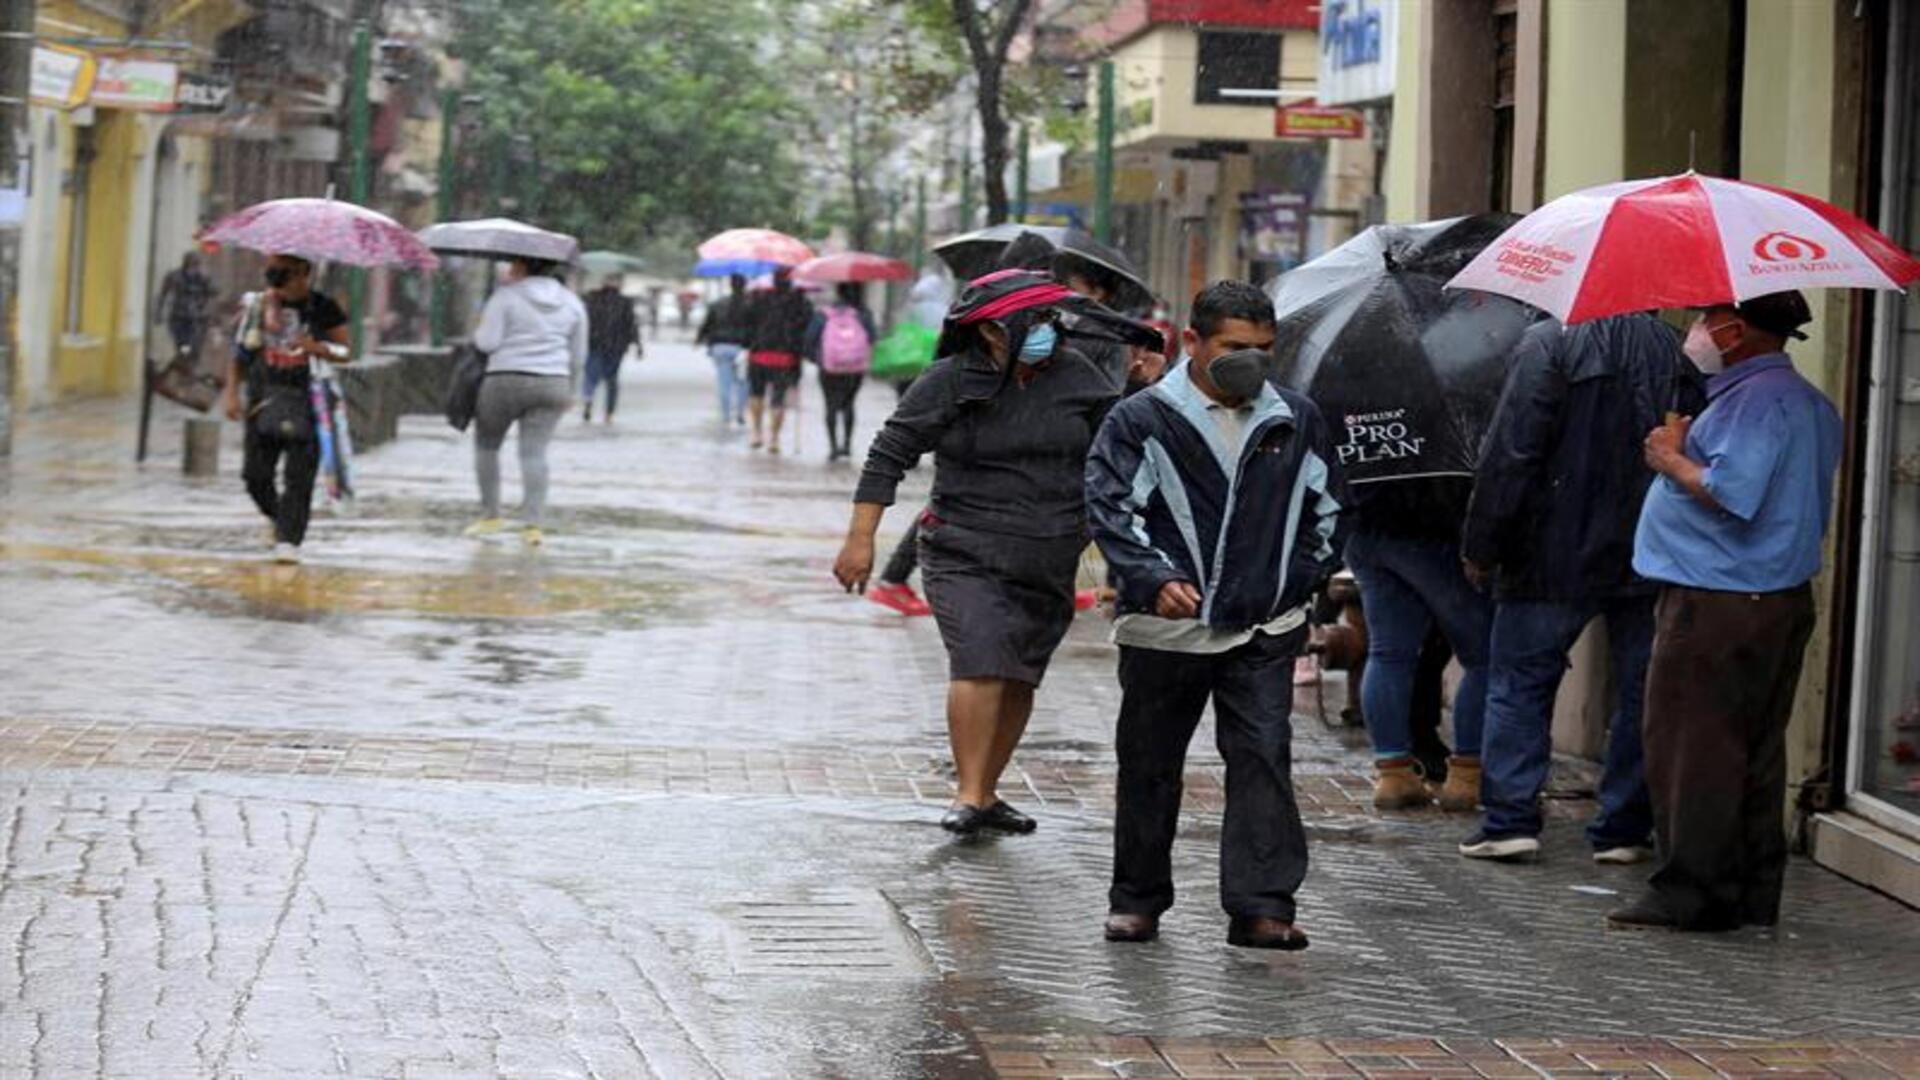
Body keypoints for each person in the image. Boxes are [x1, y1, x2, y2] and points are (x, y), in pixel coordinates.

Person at [1086, 282, 1342, 951]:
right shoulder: (1141, 419)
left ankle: (1262, 906)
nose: (1250, 362)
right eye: (1234, 348)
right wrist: (1155, 576)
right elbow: (1111, 507)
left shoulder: (1297, 417)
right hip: (1165, 631)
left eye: (1262, 349)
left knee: (1262, 758)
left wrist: (1293, 584)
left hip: (1263, 629)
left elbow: (1329, 514)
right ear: (1193, 343)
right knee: (1150, 762)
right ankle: (1136, 899)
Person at [834, 270, 1119, 835]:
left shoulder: (1077, 374)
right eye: (1033, 322)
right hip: (965, 546)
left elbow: (1115, 451)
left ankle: (986, 792)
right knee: (982, 659)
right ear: (991, 331)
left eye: (1050, 320)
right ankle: (967, 793)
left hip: (1049, 551)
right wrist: (860, 538)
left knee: (1019, 673)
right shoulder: (949, 381)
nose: (1047, 332)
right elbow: (890, 454)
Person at [1609, 290, 1841, 932]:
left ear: (1734, 331)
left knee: (1694, 749)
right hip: (1768, 598)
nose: (1696, 330)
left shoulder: (1757, 402)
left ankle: (1692, 892)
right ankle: (1747, 889)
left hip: (1719, 600)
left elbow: (1731, 492)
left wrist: (1670, 458)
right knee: (1752, 749)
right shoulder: (1803, 401)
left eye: (1705, 319)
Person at [1458, 314, 1702, 863]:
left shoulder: (1547, 344)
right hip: (1647, 548)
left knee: (1520, 683)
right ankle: (1623, 827)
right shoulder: (1673, 348)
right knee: (1643, 689)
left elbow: (1511, 451)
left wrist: (1482, 543)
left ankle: (1510, 819)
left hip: (1550, 548)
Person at [1342, 475, 1492, 811]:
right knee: (1483, 658)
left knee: (1388, 653)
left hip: (1363, 518)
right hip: (1432, 521)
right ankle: (1467, 777)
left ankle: (1394, 774)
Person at [220, 254, 350, 565]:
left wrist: (317, 348)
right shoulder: (258, 307)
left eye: (284, 272)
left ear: (304, 273)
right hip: (263, 399)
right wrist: (231, 394)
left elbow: (345, 351)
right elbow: (239, 355)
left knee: (299, 477)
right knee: (255, 475)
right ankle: (279, 519)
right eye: (272, 272)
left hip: (308, 401)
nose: (277, 279)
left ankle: (289, 540)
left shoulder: (324, 308)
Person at [464, 257, 588, 546]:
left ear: (522, 268)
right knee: (534, 454)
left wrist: (480, 325)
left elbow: (487, 343)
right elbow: (579, 354)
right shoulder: (572, 303)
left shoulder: (505, 296)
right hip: (552, 382)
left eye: (513, 265)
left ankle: (491, 516)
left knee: (487, 446)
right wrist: (573, 391)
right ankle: (533, 526)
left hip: (504, 379)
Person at [804, 282, 877, 460]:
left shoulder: (824, 314)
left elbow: (809, 340)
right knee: (849, 404)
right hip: (854, 368)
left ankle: (833, 447)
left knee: (830, 405)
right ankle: (847, 444)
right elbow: (873, 338)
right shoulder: (862, 314)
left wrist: (818, 360)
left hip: (829, 368)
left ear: (838, 293)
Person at [744, 269, 815, 452]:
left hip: (759, 354)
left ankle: (756, 433)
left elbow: (747, 323)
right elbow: (806, 329)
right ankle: (774, 439)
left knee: (756, 394)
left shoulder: (759, 298)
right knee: (778, 398)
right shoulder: (800, 302)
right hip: (785, 358)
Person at [580, 277, 640, 423]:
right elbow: (631, 325)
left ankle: (590, 401)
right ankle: (608, 413)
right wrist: (637, 344)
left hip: (596, 344)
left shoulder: (592, 298)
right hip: (614, 346)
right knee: (611, 380)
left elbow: (583, 321)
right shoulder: (623, 301)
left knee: (591, 376)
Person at [696, 275, 752, 425]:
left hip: (720, 347)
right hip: (743, 348)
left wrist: (699, 339)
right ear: (745, 285)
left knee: (724, 383)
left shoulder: (717, 304)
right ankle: (740, 412)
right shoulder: (751, 305)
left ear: (730, 285)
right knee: (743, 382)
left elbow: (707, 324)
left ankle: (726, 415)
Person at [156, 252, 216, 359]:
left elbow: (213, 294)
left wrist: (206, 308)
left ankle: (188, 358)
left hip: (196, 318)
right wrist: (158, 312)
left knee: (194, 346)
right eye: (191, 265)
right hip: (178, 316)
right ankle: (184, 357)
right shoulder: (174, 276)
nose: (193, 269)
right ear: (185, 264)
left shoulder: (203, 279)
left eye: (195, 265)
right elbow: (163, 294)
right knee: (182, 344)